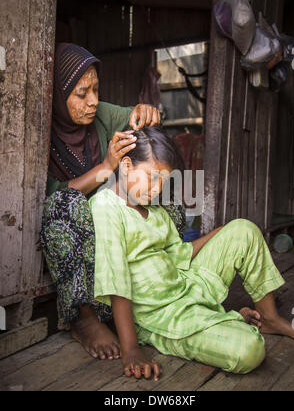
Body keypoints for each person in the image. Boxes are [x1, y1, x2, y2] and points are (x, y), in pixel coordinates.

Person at [89, 127, 294, 380]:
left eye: (162, 182)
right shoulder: (106, 205)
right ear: (125, 166)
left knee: (243, 229)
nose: (156, 189)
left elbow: (180, 254)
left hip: (184, 286)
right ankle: (228, 321)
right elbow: (116, 280)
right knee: (249, 351)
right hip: (160, 316)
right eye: (151, 177)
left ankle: (269, 318)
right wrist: (131, 349)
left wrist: (222, 232)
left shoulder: (154, 212)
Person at [41, 43, 186, 361]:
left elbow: (138, 121)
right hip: (79, 237)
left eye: (96, 89)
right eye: (82, 93)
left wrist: (147, 113)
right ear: (56, 94)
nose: (93, 101)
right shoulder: (38, 132)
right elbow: (50, 197)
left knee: (170, 200)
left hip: (118, 230)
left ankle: (159, 288)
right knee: (64, 205)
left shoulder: (102, 114)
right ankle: (85, 318)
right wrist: (106, 168)